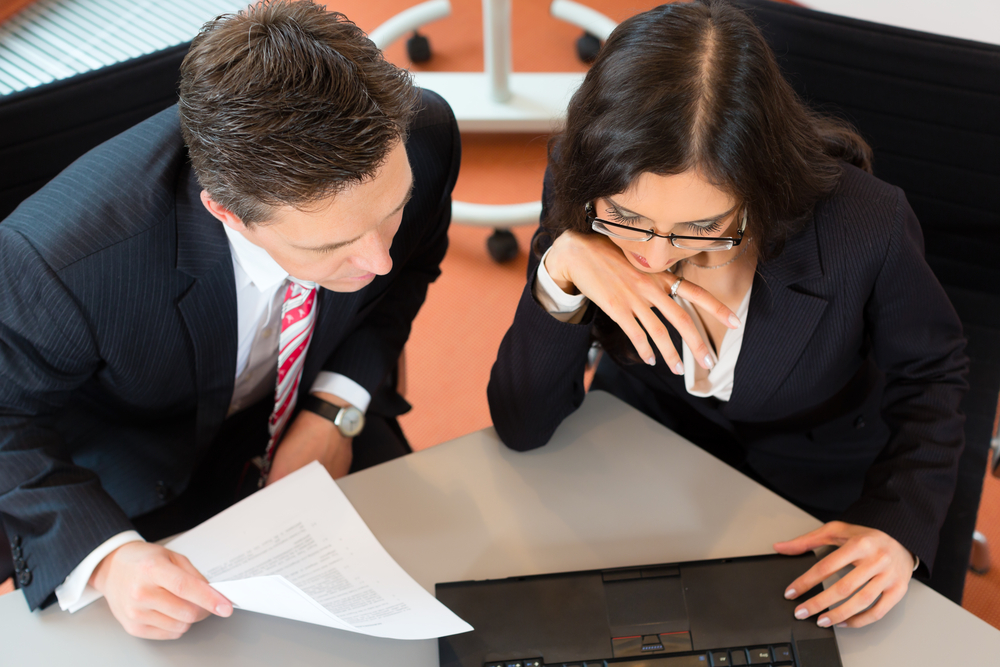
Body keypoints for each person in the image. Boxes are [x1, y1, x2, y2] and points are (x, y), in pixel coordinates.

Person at [487, 0, 968, 629]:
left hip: (819, 479)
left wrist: (898, 526)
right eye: (629, 220)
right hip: (645, 443)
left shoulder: (864, 226)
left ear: (759, 183)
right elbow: (521, 425)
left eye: (702, 227)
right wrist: (560, 270)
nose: (654, 256)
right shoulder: (586, 188)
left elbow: (933, 375)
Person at [0, 0, 459, 640]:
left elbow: (407, 272)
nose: (377, 259)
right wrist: (108, 560)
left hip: (318, 402)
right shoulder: (58, 261)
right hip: (150, 463)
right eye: (330, 246)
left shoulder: (426, 133)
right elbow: (5, 419)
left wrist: (336, 406)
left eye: (393, 211)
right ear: (227, 213)